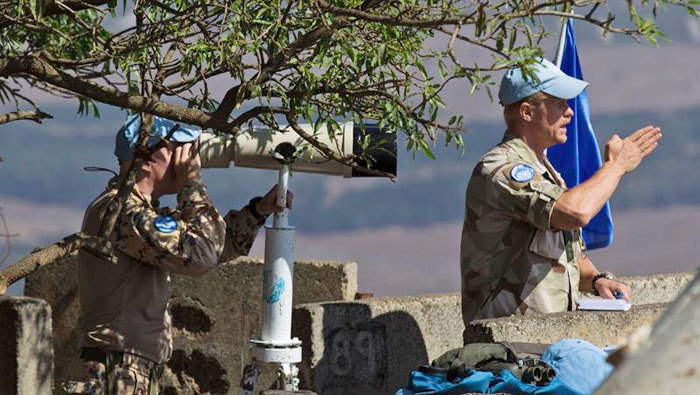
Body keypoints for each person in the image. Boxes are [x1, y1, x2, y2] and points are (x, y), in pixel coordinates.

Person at [63, 114, 292, 394]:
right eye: (176, 148)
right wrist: (191, 184)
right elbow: (200, 255)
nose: (186, 156)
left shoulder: (139, 212)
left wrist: (258, 212)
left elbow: (208, 245)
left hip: (124, 371)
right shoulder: (121, 212)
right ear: (145, 158)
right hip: (114, 373)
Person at [460, 58, 662, 333]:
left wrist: (596, 280)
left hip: (546, 340)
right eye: (559, 103)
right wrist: (616, 167)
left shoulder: (546, 171)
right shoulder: (502, 169)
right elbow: (575, 212)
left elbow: (565, 255)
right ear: (527, 112)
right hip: (507, 346)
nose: (569, 113)